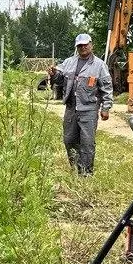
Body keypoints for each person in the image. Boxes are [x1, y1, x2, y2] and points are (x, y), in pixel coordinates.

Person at [48, 33, 113, 176]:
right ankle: (76, 168)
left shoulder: (100, 65)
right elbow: (59, 80)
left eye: (85, 44)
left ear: (91, 45)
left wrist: (106, 107)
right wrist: (53, 74)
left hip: (89, 109)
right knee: (69, 140)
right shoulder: (68, 62)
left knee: (87, 143)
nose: (83, 47)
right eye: (80, 45)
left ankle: (86, 174)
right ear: (76, 47)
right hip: (71, 108)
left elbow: (106, 88)